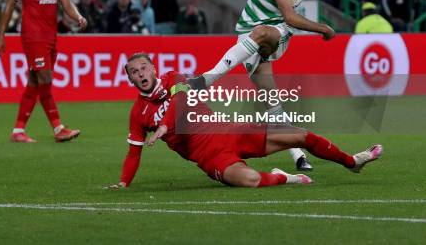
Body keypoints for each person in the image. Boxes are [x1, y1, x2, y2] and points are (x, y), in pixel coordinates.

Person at [189, 0, 391, 171]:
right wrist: (323, 28)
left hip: (276, 31)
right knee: (273, 104)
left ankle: (208, 78)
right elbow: (292, 16)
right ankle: (300, 155)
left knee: (264, 32)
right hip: (247, 35)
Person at [107, 54, 383, 189]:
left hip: (230, 131)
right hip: (209, 157)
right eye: (134, 72)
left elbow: (179, 104)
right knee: (249, 181)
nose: (141, 73)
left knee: (300, 135)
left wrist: (165, 127)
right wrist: (123, 183)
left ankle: (353, 162)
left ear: (153, 68)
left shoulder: (174, 78)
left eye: (144, 67)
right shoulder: (138, 113)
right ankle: (284, 178)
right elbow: (134, 152)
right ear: (129, 79)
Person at [0, 0, 87, 143]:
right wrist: (1, 36)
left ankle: (18, 131)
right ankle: (58, 128)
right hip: (32, 35)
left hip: (51, 36)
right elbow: (9, 6)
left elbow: (66, 5)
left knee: (35, 81)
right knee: (45, 79)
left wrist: (78, 17)